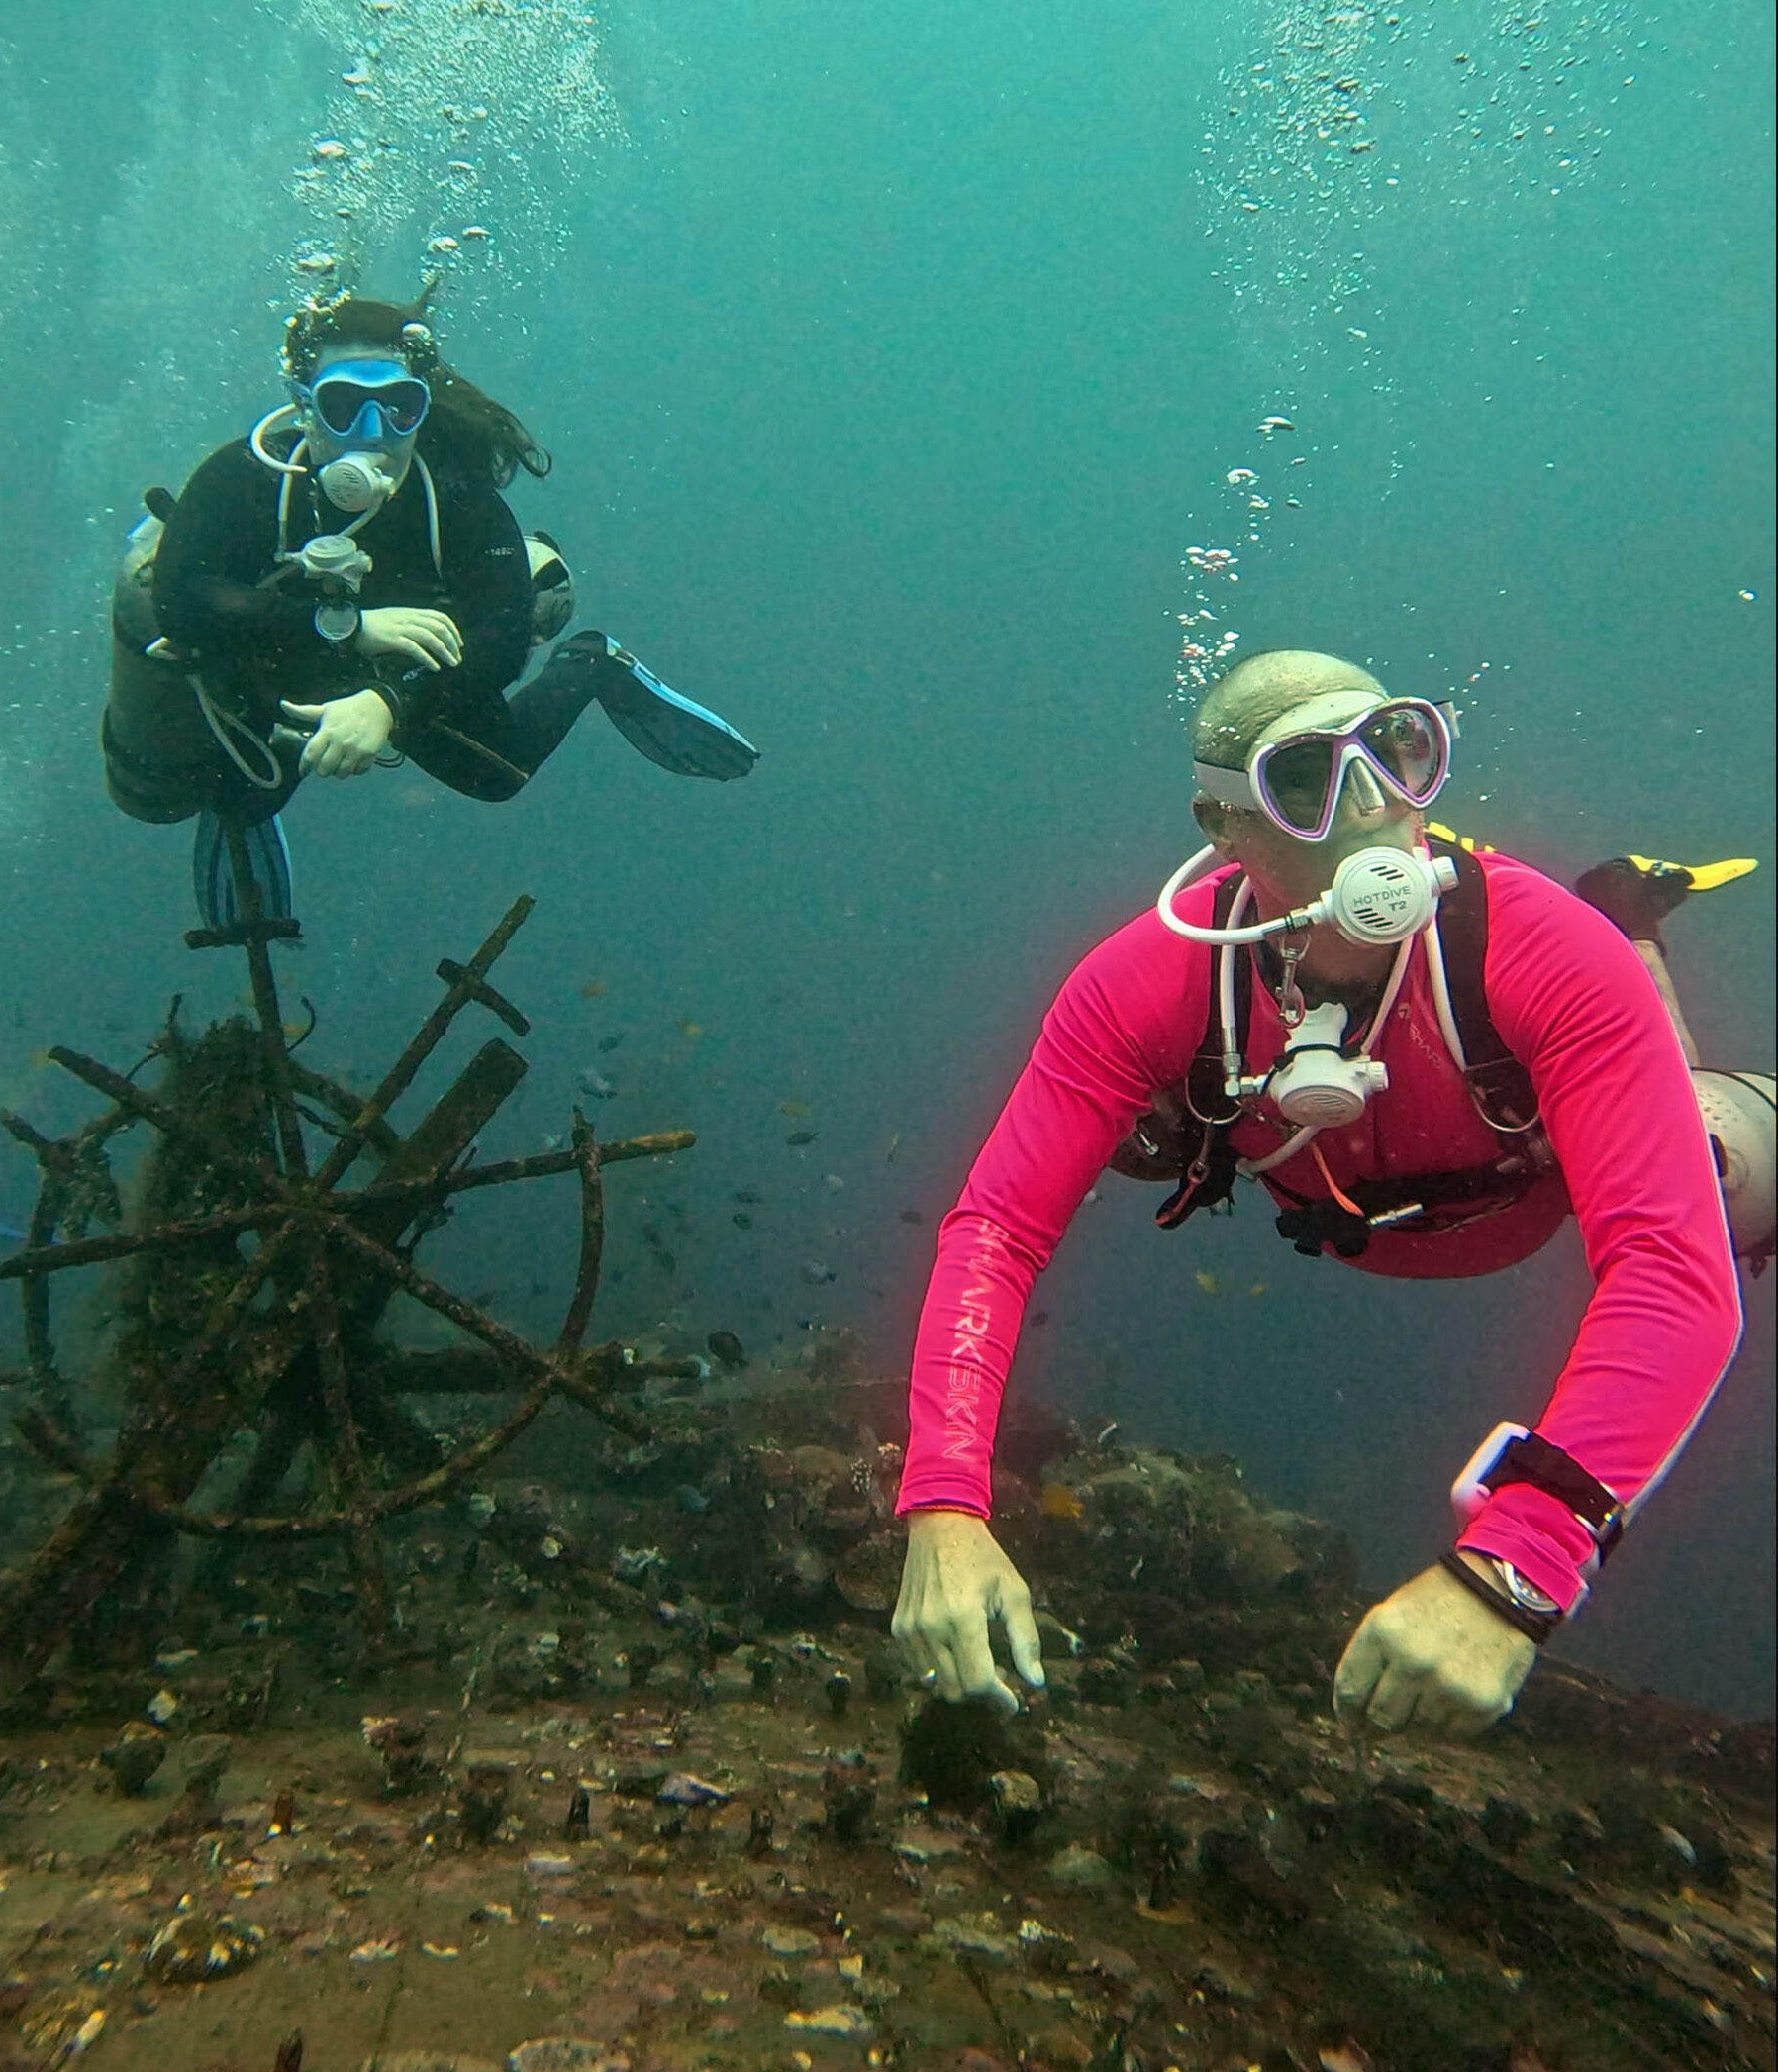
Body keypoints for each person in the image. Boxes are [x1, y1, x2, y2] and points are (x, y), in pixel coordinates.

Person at [890, 648, 1770, 1737]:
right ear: (1223, 823)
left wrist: (1517, 1565)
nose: (1369, 807)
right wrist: (942, 1504)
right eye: (1304, 778)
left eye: (1395, 751)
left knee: (1726, 1173)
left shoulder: (1543, 950)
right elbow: (998, 1228)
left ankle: (1635, 921)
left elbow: (1674, 1276)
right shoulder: (1150, 978)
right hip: (1342, 1200)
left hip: (1535, 1171)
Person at [102, 289, 756, 923]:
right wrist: (348, 629)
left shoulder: (455, 496)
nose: (372, 433)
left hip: (417, 660)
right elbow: (184, 599)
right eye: (342, 405)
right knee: (240, 795)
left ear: (422, 406)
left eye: (398, 407)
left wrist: (388, 703)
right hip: (287, 650)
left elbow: (498, 635)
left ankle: (594, 662)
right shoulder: (245, 477)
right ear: (303, 406)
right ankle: (248, 802)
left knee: (500, 771)